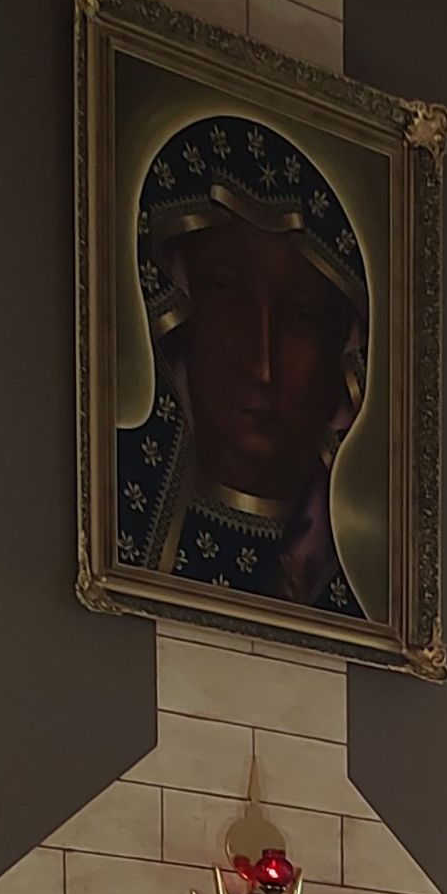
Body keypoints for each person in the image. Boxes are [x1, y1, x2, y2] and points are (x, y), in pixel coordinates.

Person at [117, 114, 369, 620]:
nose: (263, 364)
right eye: (227, 292)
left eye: (301, 315)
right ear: (178, 304)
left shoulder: (347, 576)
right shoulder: (127, 515)